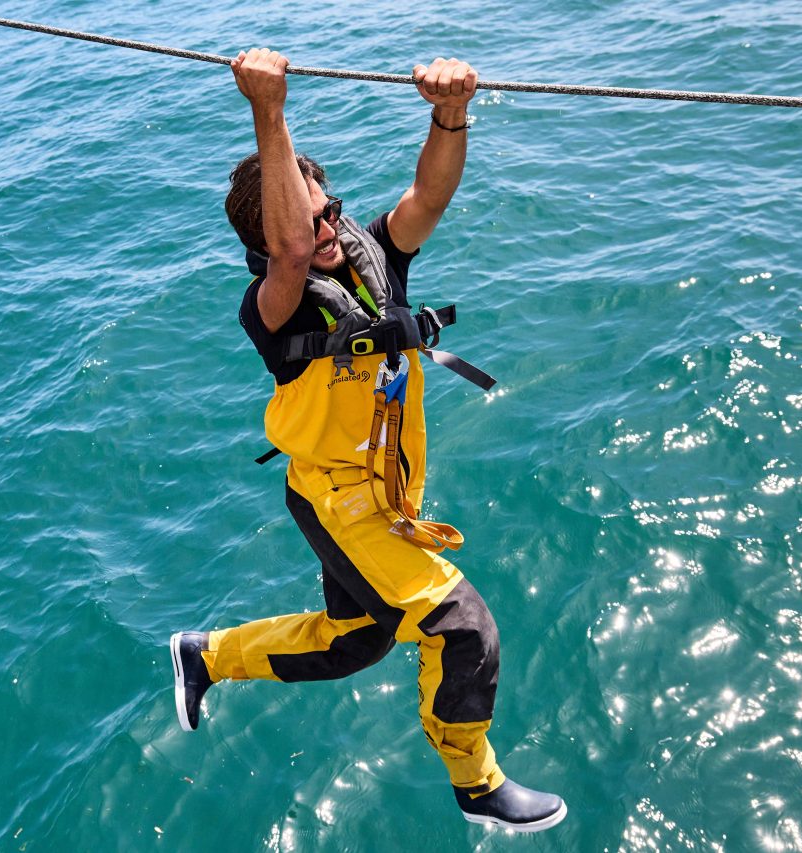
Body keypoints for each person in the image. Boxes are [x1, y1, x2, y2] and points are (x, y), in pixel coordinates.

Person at [169, 47, 566, 833]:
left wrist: (450, 114)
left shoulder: (373, 255)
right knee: (462, 627)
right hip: (335, 500)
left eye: (329, 212)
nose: (323, 230)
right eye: (305, 218)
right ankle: (476, 781)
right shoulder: (273, 306)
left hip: (386, 496)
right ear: (267, 241)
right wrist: (268, 110)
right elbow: (291, 249)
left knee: (357, 640)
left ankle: (205, 656)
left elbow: (430, 194)